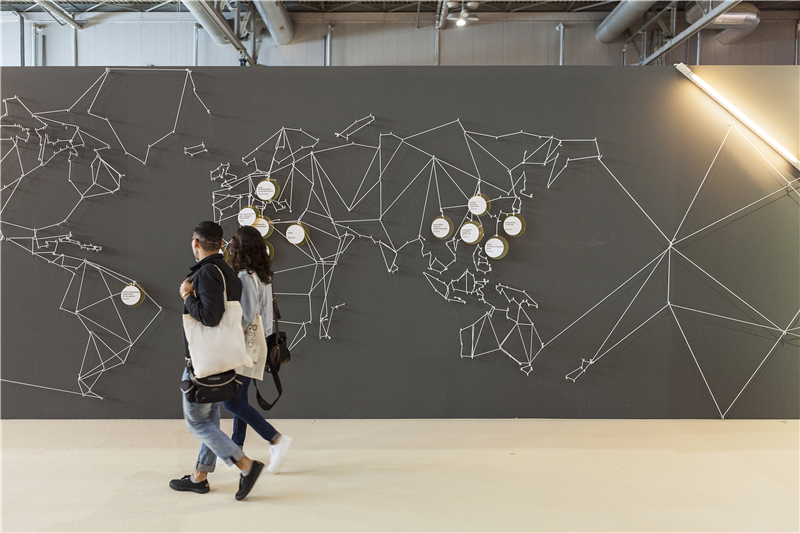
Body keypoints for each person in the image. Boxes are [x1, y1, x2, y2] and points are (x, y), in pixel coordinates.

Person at [169, 221, 264, 500]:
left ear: (195, 242)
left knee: (197, 424)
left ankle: (246, 465)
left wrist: (187, 296)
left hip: (203, 361)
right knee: (209, 420)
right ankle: (199, 477)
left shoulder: (208, 272)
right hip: (223, 358)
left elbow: (210, 317)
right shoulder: (228, 272)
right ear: (221, 244)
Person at [223, 225, 292, 473]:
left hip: (245, 346)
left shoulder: (245, 276)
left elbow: (247, 317)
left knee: (231, 401)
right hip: (260, 343)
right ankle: (236, 448)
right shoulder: (264, 276)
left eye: (233, 243)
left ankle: (275, 438)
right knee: (240, 397)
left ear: (239, 249)